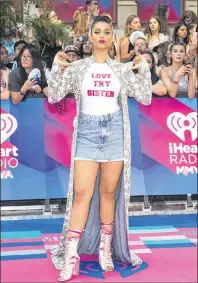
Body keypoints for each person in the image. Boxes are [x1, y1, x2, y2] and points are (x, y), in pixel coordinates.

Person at [47, 15, 152, 282]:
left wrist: (144, 70)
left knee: (108, 193)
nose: (102, 35)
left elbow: (145, 96)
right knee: (82, 194)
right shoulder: (79, 68)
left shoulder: (120, 69)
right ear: (90, 37)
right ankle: (71, 257)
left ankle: (106, 250)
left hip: (115, 131)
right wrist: (57, 68)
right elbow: (54, 95)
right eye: (98, 32)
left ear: (112, 38)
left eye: (107, 31)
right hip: (87, 133)